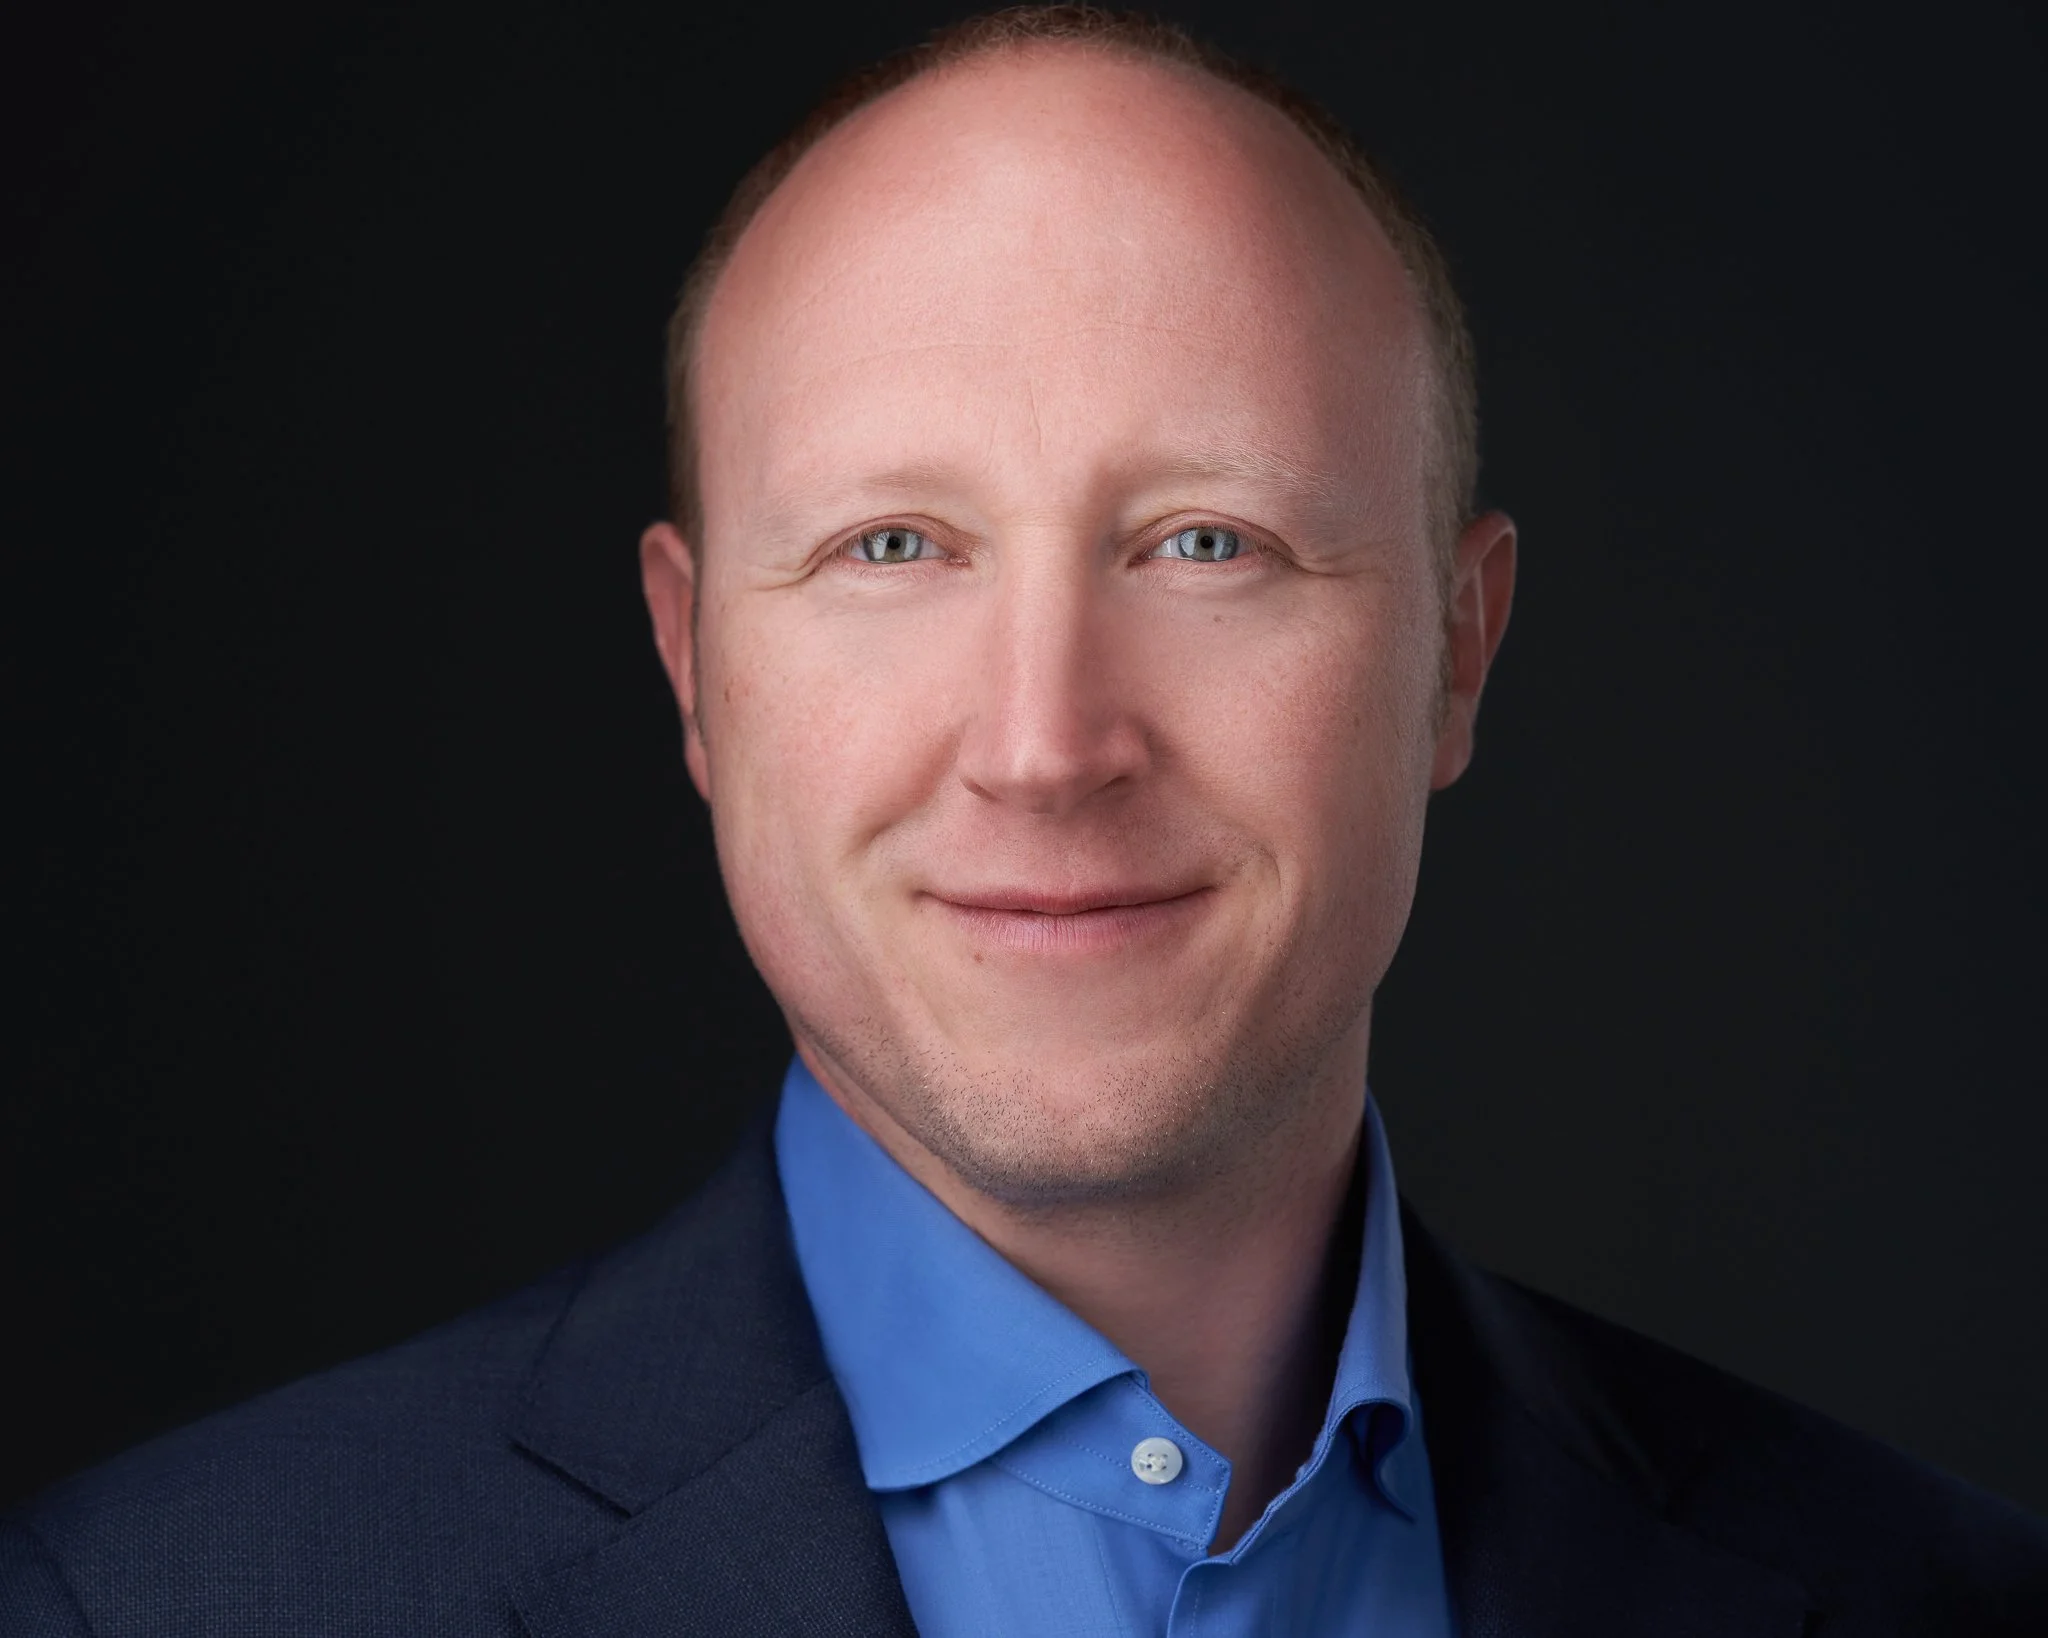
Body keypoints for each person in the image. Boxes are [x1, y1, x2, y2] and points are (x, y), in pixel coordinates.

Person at [4, 8, 2043, 1634]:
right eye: (895, 543)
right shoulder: (154, 1608)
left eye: (1205, 542)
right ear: (695, 662)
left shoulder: (1934, 1599)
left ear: (1457, 652)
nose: (1046, 742)